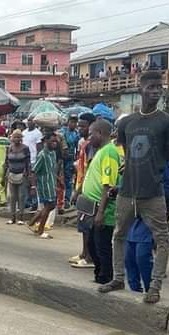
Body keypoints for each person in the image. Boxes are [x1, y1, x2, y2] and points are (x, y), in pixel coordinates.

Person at [98, 70, 169, 303]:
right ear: (140, 88)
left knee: (161, 239)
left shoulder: (167, 122)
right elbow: (128, 155)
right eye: (151, 87)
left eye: (159, 87)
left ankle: (154, 287)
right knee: (119, 235)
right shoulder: (127, 123)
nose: (155, 91)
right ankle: (118, 277)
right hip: (128, 191)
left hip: (153, 193)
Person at [81, 120, 121, 284]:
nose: (89, 138)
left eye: (91, 134)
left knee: (102, 246)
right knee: (92, 244)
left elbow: (108, 185)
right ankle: (99, 274)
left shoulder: (109, 153)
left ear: (100, 133)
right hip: (92, 206)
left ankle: (105, 277)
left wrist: (100, 213)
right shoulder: (101, 150)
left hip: (103, 208)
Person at [70, 113, 97, 268]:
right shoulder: (84, 144)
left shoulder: (91, 145)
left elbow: (90, 170)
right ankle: (83, 253)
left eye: (83, 125)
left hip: (86, 188)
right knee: (82, 224)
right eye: (79, 125)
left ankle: (89, 257)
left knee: (87, 224)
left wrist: (78, 190)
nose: (80, 128)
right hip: (80, 183)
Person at [29, 131, 60, 238]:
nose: (55, 143)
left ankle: (33, 221)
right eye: (52, 141)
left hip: (51, 183)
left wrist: (58, 180)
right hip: (44, 185)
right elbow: (33, 172)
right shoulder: (42, 155)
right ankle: (40, 230)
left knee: (51, 206)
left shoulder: (53, 153)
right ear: (46, 141)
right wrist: (33, 186)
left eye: (56, 141)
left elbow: (52, 169)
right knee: (49, 206)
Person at [4, 129, 33, 225]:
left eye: (18, 137)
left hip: (22, 174)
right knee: (12, 197)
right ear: (12, 138)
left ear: (21, 138)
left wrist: (29, 175)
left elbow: (28, 163)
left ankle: (20, 217)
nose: (16, 139)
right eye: (15, 137)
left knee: (21, 196)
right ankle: (12, 217)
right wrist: (5, 173)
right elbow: (6, 162)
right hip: (11, 174)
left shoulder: (25, 148)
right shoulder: (9, 148)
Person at [125, 218, 153, 292]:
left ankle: (150, 289)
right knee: (129, 259)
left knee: (142, 259)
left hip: (148, 225)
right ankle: (135, 289)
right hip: (131, 226)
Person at [60, 114, 80, 209]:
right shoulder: (63, 132)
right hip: (61, 159)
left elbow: (78, 148)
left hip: (71, 159)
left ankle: (67, 200)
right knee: (60, 180)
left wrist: (76, 160)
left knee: (69, 180)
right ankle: (58, 201)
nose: (73, 124)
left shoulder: (76, 134)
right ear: (68, 122)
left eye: (75, 122)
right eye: (71, 122)